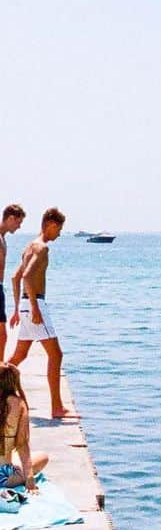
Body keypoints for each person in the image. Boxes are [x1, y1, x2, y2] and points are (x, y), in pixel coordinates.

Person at [8, 207, 75, 420]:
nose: (59, 234)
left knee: (19, 356)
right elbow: (26, 277)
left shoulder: (29, 247)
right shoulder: (42, 248)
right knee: (56, 355)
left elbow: (15, 277)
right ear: (50, 224)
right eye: (59, 229)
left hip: (27, 305)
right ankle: (56, 407)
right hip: (36, 305)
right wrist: (35, 308)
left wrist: (18, 308)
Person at [0, 362, 48, 493]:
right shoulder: (19, 404)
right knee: (43, 457)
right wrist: (29, 477)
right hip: (2, 476)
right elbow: (22, 444)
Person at [0, 204, 26, 362]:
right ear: (10, 218)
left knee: (2, 336)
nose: (19, 226)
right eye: (18, 222)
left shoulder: (3, 238)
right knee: (2, 335)